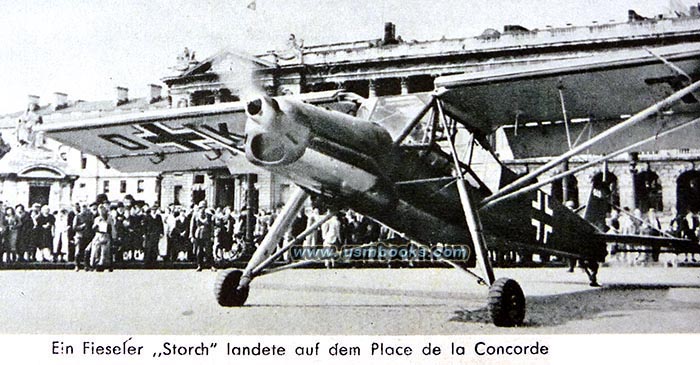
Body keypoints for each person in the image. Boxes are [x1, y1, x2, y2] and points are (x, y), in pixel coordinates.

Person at [190, 201, 215, 271]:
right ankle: (199, 265)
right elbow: (192, 226)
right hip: (198, 234)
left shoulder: (209, 215)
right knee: (199, 251)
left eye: (204, 207)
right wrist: (191, 236)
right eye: (201, 207)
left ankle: (211, 265)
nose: (202, 209)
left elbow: (212, 226)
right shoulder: (195, 215)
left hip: (207, 234)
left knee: (209, 250)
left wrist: (212, 236)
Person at [89, 204, 113, 271]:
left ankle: (103, 265)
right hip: (98, 235)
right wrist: (96, 226)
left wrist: (113, 235)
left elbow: (112, 227)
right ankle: (94, 264)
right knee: (96, 250)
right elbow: (93, 228)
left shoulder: (109, 218)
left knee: (105, 251)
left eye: (103, 210)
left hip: (106, 235)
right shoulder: (97, 219)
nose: (101, 212)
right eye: (100, 210)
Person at [73, 203, 95, 271]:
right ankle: (77, 265)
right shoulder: (77, 216)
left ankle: (86, 265)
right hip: (80, 236)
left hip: (88, 236)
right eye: (83, 207)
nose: (84, 209)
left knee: (87, 251)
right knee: (78, 251)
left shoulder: (90, 216)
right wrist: (81, 226)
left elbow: (93, 225)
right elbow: (74, 227)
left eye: (85, 207)